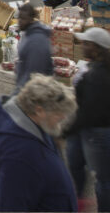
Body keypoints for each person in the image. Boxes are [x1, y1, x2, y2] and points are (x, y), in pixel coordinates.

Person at [0, 74, 77, 213]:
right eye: (58, 114)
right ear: (39, 110)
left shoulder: (32, 124)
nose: (63, 118)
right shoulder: (19, 155)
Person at [65, 27, 110, 212]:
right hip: (86, 130)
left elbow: (88, 112)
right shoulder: (94, 68)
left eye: (86, 43)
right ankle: (78, 200)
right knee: (75, 162)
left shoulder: (97, 76)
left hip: (97, 132)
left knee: (103, 180)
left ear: (96, 48)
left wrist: (65, 130)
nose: (82, 45)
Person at [15, 2, 53, 88]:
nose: (20, 21)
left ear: (31, 19)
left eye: (23, 18)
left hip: (32, 93)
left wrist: (19, 93)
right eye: (19, 17)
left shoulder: (37, 41)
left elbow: (34, 74)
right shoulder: (28, 33)